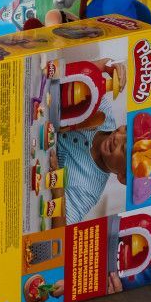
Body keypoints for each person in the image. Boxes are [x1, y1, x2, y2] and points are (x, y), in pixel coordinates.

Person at [51, 60, 128, 220]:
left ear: (123, 177)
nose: (117, 137)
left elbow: (61, 231)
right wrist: (106, 65)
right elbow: (67, 74)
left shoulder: (89, 190)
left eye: (124, 148)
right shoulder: (104, 112)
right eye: (126, 129)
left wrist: (57, 187)